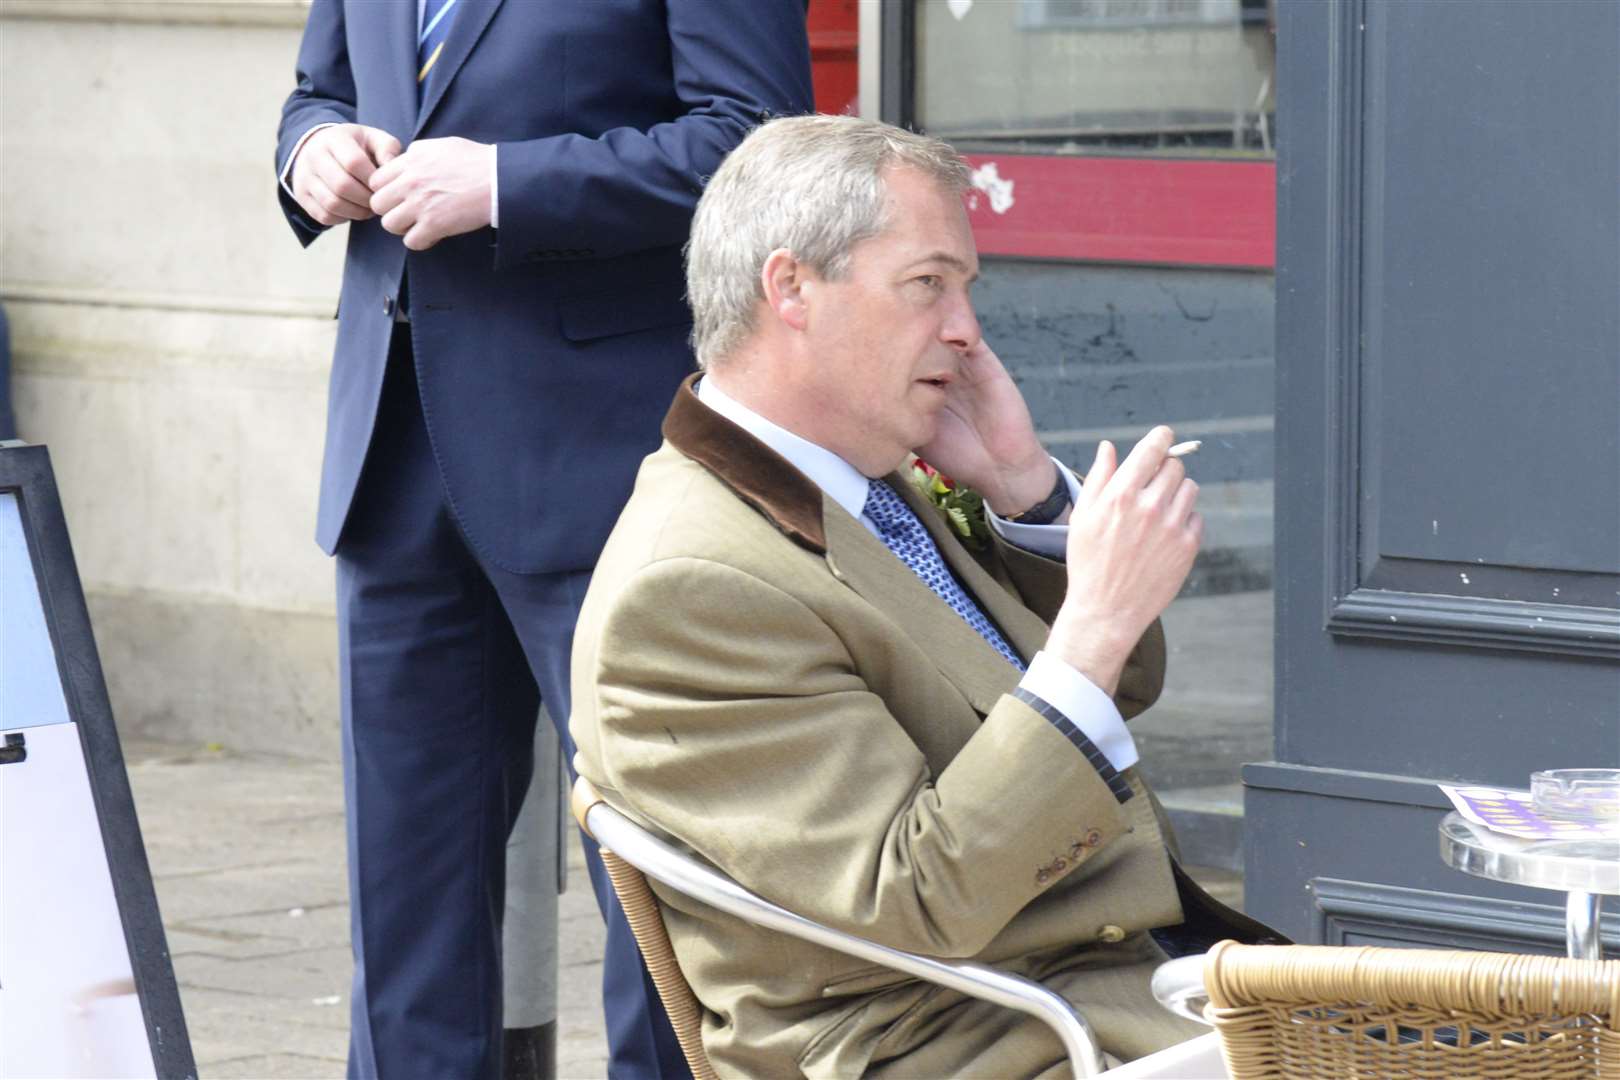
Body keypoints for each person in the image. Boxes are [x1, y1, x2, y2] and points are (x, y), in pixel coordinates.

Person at [570, 115, 1283, 1077]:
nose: (966, 329)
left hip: (1079, 989)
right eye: (927, 285)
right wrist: (1096, 621)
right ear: (792, 289)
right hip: (965, 1039)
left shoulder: (850, 481)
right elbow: (922, 894)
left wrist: (1023, 488)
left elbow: (1119, 688)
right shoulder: (691, 587)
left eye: (964, 289)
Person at [272, 4, 812, 1077]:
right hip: (392, 452)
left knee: (655, 872)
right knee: (404, 886)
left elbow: (757, 146)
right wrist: (311, 152)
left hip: (607, 461)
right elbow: (317, 91)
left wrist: (510, 186)